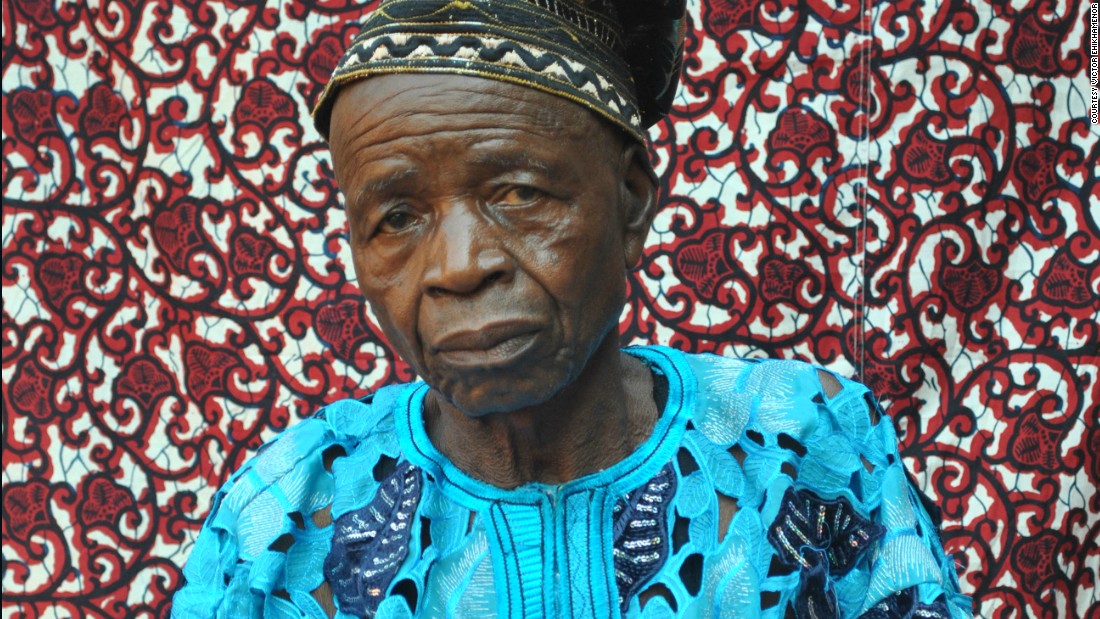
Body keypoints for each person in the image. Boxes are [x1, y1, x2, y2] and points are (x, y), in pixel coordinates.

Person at [172, 0, 970, 617]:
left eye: (518, 193)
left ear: (630, 201)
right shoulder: (284, 513)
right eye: (397, 219)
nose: (457, 267)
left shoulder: (801, 445)